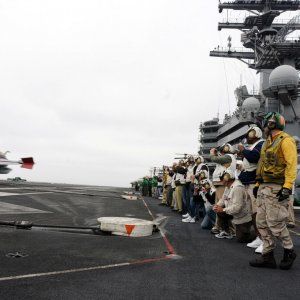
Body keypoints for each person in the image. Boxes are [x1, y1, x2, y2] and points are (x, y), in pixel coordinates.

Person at [250, 112, 297, 270]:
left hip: (277, 188)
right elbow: (262, 165)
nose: (263, 126)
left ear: (271, 124)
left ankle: (289, 251)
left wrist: (287, 187)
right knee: (261, 222)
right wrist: (257, 184)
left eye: (266, 123)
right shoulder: (266, 143)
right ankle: (268, 256)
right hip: (264, 187)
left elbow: (291, 165)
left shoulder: (286, 141)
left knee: (275, 223)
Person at [237, 125, 264, 253]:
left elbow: (254, 157)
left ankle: (264, 238)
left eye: (250, 133)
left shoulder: (261, 144)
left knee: (257, 211)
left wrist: (243, 150)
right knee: (253, 211)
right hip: (248, 181)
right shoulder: (253, 146)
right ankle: (259, 236)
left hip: (254, 182)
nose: (248, 136)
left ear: (256, 133)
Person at [213, 169, 253, 242]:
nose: (221, 181)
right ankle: (227, 232)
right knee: (219, 211)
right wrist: (217, 206)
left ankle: (255, 234)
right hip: (235, 213)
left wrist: (223, 210)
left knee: (241, 239)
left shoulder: (237, 188)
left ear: (227, 178)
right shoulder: (228, 186)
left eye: (222, 179)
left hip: (243, 216)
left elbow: (238, 207)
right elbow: (223, 199)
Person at [210, 143, 237, 234]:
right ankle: (219, 227)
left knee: (223, 206)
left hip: (223, 183)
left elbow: (214, 158)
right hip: (220, 184)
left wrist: (212, 153)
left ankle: (230, 229)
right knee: (218, 206)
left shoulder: (229, 157)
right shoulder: (225, 157)